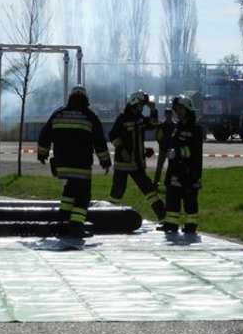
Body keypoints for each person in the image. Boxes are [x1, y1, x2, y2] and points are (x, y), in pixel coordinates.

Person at [37, 85, 112, 239]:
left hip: (62, 165)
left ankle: (63, 221)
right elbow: (99, 141)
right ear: (86, 99)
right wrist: (105, 161)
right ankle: (76, 227)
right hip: (81, 166)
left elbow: (45, 133)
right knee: (83, 196)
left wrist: (42, 153)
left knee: (69, 192)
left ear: (70, 97)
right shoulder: (89, 117)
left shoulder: (58, 114)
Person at [107, 90, 166, 221]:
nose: (142, 107)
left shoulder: (140, 119)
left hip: (137, 163)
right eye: (141, 105)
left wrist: (153, 110)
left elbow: (153, 124)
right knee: (118, 190)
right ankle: (107, 215)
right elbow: (112, 135)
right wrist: (121, 149)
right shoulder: (122, 118)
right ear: (134, 103)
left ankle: (162, 215)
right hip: (123, 163)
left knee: (148, 188)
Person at [158, 95, 205, 234]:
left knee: (190, 200)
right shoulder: (178, 126)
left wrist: (177, 152)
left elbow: (194, 150)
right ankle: (171, 224)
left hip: (189, 171)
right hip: (175, 169)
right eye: (176, 109)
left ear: (188, 109)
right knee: (172, 197)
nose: (178, 111)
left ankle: (191, 226)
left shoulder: (195, 129)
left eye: (180, 109)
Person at [153, 107, 175, 189]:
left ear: (171, 114)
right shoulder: (161, 126)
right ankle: (156, 183)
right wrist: (161, 144)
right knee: (159, 167)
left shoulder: (174, 126)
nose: (168, 115)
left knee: (171, 168)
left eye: (169, 113)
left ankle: (168, 183)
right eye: (167, 113)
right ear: (165, 114)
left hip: (170, 149)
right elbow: (158, 137)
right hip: (163, 149)